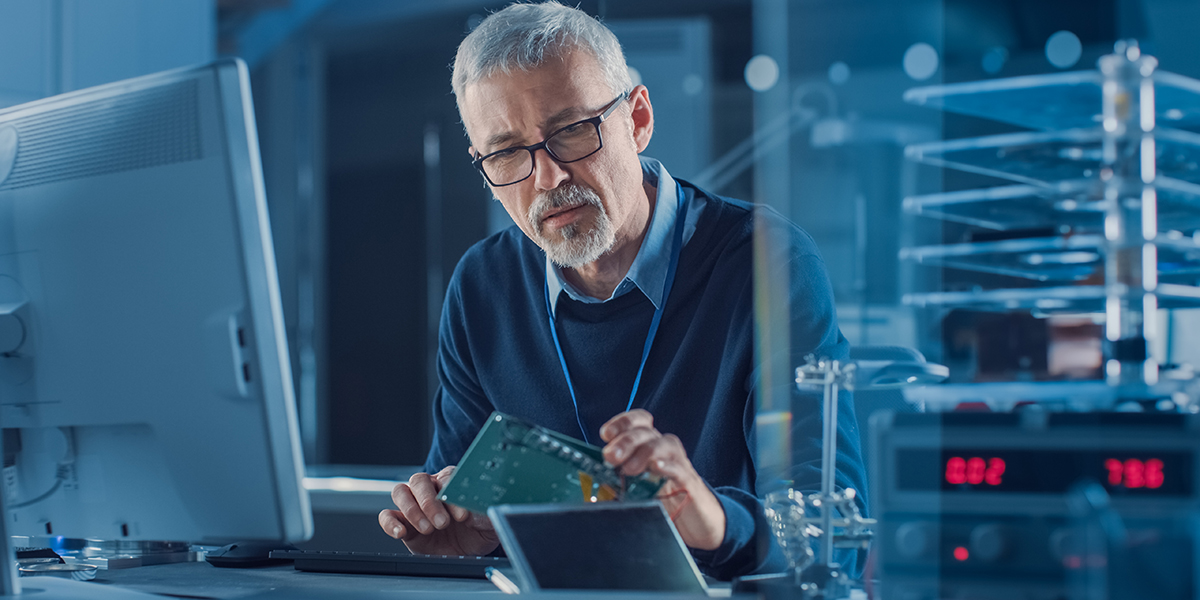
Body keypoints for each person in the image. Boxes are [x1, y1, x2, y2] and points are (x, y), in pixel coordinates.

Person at [377, 1, 866, 580]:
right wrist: (463, 536)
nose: (549, 179)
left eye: (572, 132)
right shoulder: (484, 287)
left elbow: (830, 539)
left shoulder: (767, 264)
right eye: (508, 153)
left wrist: (711, 522)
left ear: (636, 120)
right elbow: (468, 507)